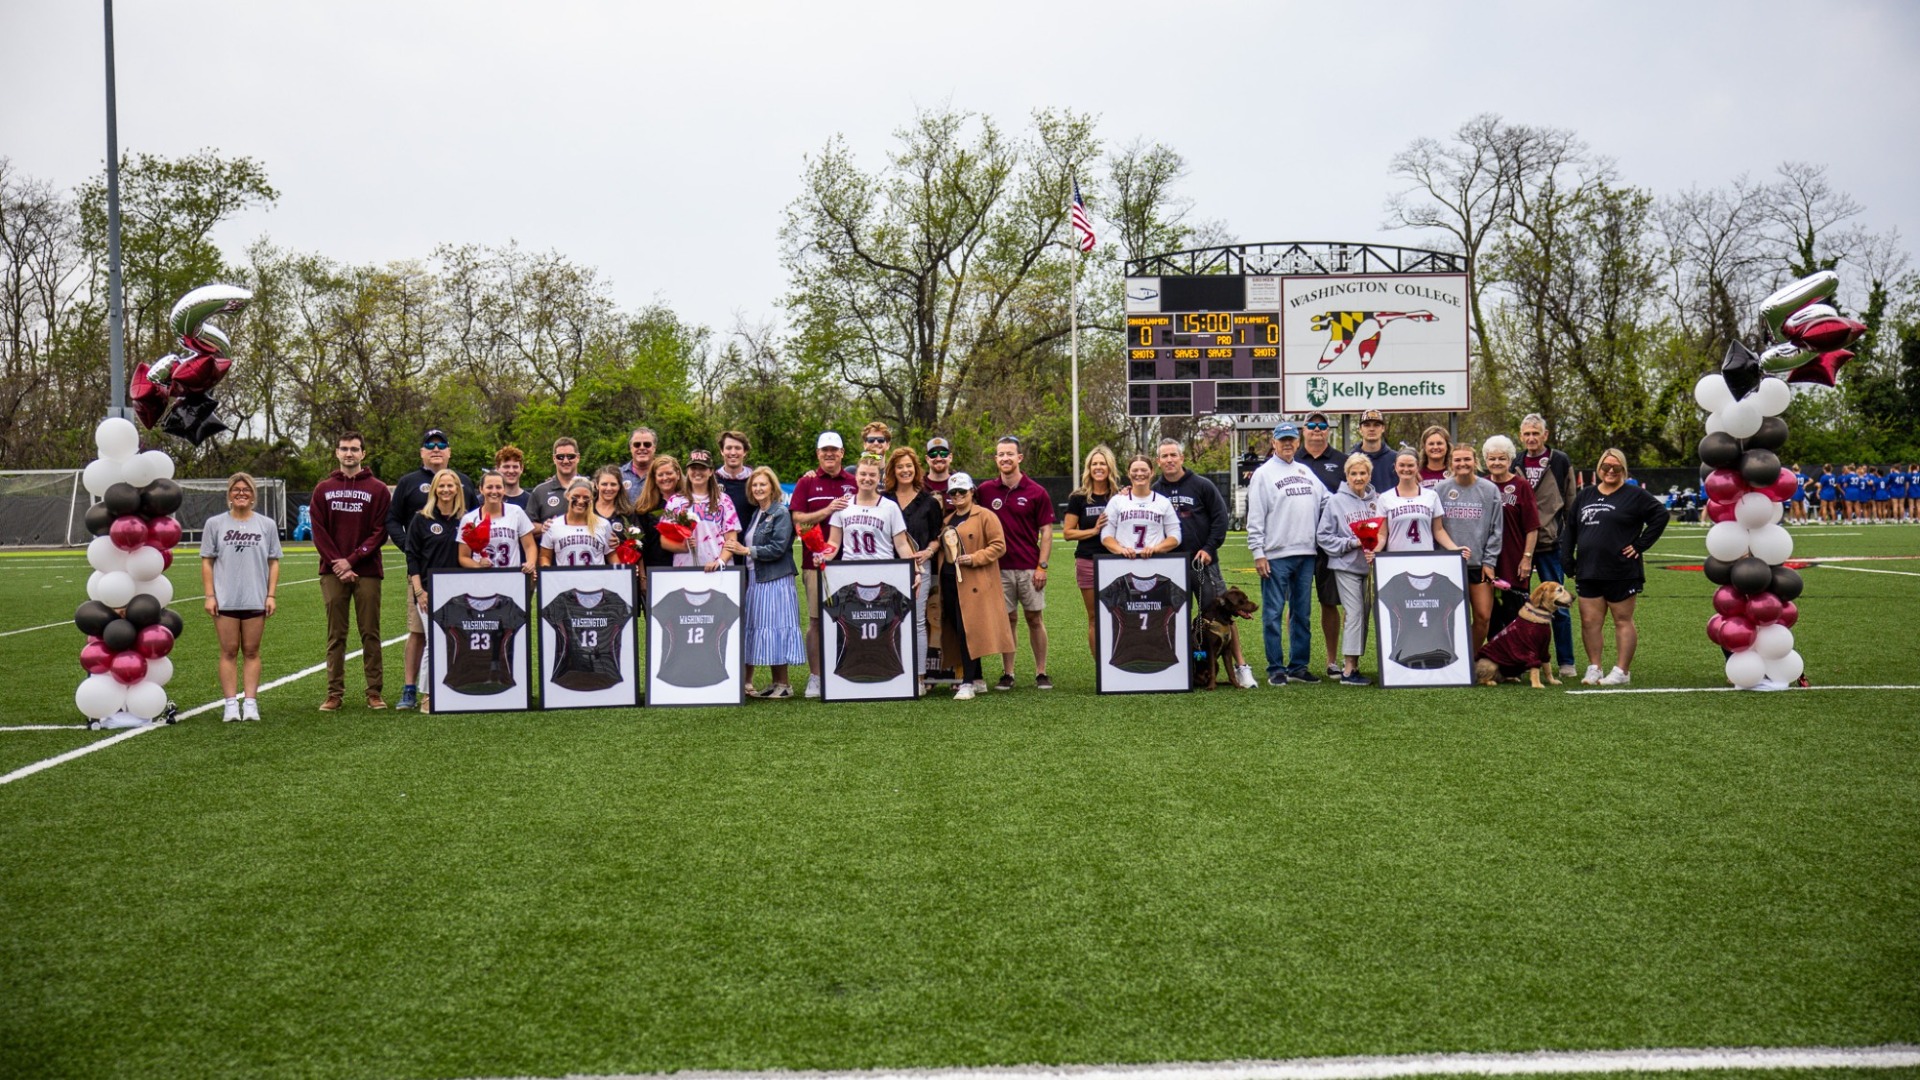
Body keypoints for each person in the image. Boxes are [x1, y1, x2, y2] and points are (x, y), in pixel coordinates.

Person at [1562, 447, 1667, 686]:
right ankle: (1594, 668)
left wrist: (1640, 545)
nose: (1610, 471)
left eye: (1616, 467)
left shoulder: (1634, 495)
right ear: (1599, 469)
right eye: (1605, 467)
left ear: (1623, 470)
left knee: (1622, 619)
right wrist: (1567, 560)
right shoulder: (1585, 495)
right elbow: (1571, 530)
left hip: (1621, 569)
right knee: (1589, 621)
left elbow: (1660, 516)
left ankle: (1622, 671)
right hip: (1588, 569)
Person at [388, 427, 476, 711]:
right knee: (421, 634)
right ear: (422, 451)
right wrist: (413, 552)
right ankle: (413, 690)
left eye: (441, 445)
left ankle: (457, 686)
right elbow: (393, 522)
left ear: (449, 451)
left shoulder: (466, 484)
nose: (436, 448)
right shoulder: (408, 483)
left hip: (459, 580)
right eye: (430, 444)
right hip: (424, 581)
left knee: (457, 634)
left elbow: (479, 526)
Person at [308, 431, 390, 712]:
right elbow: (319, 532)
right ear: (336, 452)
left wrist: (352, 560)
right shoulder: (322, 489)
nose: (349, 454)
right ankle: (334, 693)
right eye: (344, 449)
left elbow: (380, 532)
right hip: (333, 572)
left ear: (363, 454)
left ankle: (374, 692)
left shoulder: (378, 489)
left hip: (366, 571)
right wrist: (338, 563)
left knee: (370, 632)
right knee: (336, 635)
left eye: (354, 449)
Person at [1245, 422, 1328, 685]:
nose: (1288, 444)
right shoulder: (1263, 473)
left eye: (1292, 439)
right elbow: (1255, 515)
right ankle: (1275, 668)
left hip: (1306, 552)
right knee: (1273, 614)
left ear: (1297, 441)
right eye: (1283, 440)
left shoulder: (1305, 470)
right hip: (1276, 554)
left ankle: (1298, 666)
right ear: (1273, 443)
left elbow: (1328, 500)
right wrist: (1258, 551)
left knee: (1302, 614)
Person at [200, 473, 283, 722]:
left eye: (246, 489)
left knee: (251, 651)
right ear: (229, 494)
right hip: (225, 599)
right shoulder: (214, 524)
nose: (241, 493)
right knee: (228, 651)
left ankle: (250, 703)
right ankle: (229, 705)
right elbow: (207, 562)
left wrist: (271, 594)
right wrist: (210, 595)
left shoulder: (266, 525)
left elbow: (273, 561)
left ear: (253, 495)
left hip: (255, 598)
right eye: (236, 489)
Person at [977, 435, 1055, 691]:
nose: (1005, 458)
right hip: (998, 568)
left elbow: (1046, 531)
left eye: (1010, 454)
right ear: (996, 459)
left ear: (1019, 457)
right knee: (1008, 619)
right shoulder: (986, 491)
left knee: (1034, 619)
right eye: (1001, 454)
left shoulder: (1036, 492)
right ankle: (1007, 673)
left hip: (1029, 567)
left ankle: (1041, 672)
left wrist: (1042, 566)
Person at [789, 432, 860, 698]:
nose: (829, 454)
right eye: (824, 450)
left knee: (851, 619)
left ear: (842, 453)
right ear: (818, 454)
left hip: (852, 562)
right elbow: (798, 519)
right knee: (817, 621)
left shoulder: (854, 482)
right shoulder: (807, 483)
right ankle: (816, 676)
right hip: (815, 563)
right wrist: (827, 510)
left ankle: (848, 671)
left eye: (834, 450)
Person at [725, 466, 806, 699]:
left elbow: (779, 548)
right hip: (757, 579)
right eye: (755, 485)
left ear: (772, 487)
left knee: (777, 628)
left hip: (776, 579)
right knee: (766, 630)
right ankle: (775, 682)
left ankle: (784, 684)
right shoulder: (758, 513)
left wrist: (746, 550)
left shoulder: (780, 512)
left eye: (763, 484)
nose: (758, 488)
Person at [933, 474, 1013, 700]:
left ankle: (967, 681)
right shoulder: (948, 520)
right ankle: (977, 678)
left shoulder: (986, 516)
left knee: (969, 629)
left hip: (973, 582)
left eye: (962, 491)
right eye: (953, 493)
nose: (958, 496)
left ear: (972, 492)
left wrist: (975, 558)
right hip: (950, 580)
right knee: (959, 629)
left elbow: (999, 546)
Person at [1518, 414, 1576, 679]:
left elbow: (1570, 500)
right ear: (1521, 436)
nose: (1531, 438)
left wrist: (1570, 540)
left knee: (1560, 606)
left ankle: (1566, 661)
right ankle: (1518, 660)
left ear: (1545, 434)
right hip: (1519, 546)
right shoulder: (1515, 461)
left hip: (1551, 544)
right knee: (1517, 606)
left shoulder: (1560, 460)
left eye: (1535, 433)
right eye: (1527, 434)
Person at [1315, 453, 1381, 685]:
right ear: (1347, 475)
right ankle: (1348, 670)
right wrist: (1350, 543)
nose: (1358, 477)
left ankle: (1354, 664)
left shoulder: (1377, 500)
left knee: (1363, 615)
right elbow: (1323, 536)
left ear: (1369, 475)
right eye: (1354, 473)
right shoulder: (1335, 501)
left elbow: (1383, 531)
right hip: (1346, 566)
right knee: (1353, 613)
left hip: (1371, 568)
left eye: (1363, 473)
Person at [404, 469, 467, 714]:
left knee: (455, 643)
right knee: (434, 642)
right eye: (441, 486)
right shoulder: (421, 519)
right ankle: (428, 695)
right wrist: (419, 591)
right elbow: (413, 558)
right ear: (434, 490)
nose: (446, 490)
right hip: (429, 591)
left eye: (450, 485)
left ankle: (454, 690)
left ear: (457, 490)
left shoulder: (467, 519)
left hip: (459, 593)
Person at [1433, 444, 1504, 657]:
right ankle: (1449, 659)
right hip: (1448, 564)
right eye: (1457, 460)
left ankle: (1470, 660)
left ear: (1475, 461)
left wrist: (1489, 562)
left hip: (1478, 565)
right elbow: (1435, 528)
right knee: (1447, 617)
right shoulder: (1440, 489)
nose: (1462, 464)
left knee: (1483, 616)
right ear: (1451, 463)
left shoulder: (1489, 489)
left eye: (1467, 459)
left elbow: (1496, 529)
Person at [1296, 411, 1350, 678]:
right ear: (1303, 430)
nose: (1317, 429)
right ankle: (1297, 661)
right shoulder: (1289, 460)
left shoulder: (1343, 461)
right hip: (1297, 542)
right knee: (1296, 603)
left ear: (1328, 430)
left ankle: (1331, 661)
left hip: (1331, 544)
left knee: (1330, 603)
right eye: (1312, 425)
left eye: (1322, 425)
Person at [884, 446, 944, 686]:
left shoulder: (928, 501)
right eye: (900, 467)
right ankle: (891, 675)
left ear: (916, 468)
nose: (905, 470)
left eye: (909, 466)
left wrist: (929, 551)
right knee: (891, 621)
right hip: (889, 568)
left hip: (920, 567)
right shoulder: (884, 499)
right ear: (893, 470)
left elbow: (938, 536)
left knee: (918, 621)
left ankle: (919, 677)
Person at [1152, 438, 1230, 615]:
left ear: (1182, 458)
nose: (1169, 459)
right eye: (1164, 456)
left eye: (1173, 455)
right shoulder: (1154, 491)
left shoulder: (1202, 485)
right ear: (1158, 461)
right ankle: (1187, 644)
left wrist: (1209, 548)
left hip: (1203, 562)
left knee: (1218, 613)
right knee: (1174, 616)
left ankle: (1231, 645)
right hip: (1170, 565)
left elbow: (1220, 519)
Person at [1062, 445, 1119, 662]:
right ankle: (1101, 667)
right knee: (1095, 617)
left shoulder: (1119, 495)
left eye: (1102, 463)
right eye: (1094, 464)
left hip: (1115, 561)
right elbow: (1068, 533)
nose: (1098, 467)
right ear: (1088, 468)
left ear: (1109, 467)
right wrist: (1094, 531)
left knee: (1118, 614)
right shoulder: (1079, 498)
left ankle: (1119, 661)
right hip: (1088, 561)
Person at [1482, 435, 1541, 639]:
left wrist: (1527, 557)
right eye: (1492, 458)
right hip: (1487, 561)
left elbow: (1532, 527)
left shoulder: (1521, 486)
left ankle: (1515, 662)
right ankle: (1495, 663)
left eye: (1501, 458)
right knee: (1489, 614)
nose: (1496, 463)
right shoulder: (1481, 485)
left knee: (1514, 615)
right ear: (1485, 460)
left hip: (1513, 558)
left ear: (1510, 460)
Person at [1375, 451, 1464, 556]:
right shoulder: (1385, 498)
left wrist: (1455, 549)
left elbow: (1438, 530)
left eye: (1410, 465)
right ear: (1395, 467)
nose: (1406, 469)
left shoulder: (1431, 496)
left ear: (1417, 467)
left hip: (1425, 558)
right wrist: (1374, 551)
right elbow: (1382, 534)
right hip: (1396, 559)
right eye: (1402, 465)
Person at [670, 449, 741, 571]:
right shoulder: (675, 501)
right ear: (687, 471)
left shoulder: (724, 500)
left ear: (711, 471)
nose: (697, 472)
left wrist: (720, 561)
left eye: (702, 468)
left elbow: (731, 540)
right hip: (684, 569)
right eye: (693, 468)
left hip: (717, 569)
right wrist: (682, 544)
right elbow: (666, 540)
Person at [1101, 454, 1182, 559]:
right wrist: (1121, 550)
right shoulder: (1117, 501)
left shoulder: (1163, 502)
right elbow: (1106, 535)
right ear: (1128, 473)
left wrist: (1156, 548)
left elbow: (1175, 535)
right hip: (1124, 563)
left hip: (1155, 562)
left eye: (1144, 470)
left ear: (1152, 472)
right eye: (1135, 470)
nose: (1139, 474)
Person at [458, 470, 538, 577]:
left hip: (511, 578)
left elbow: (530, 546)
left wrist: (530, 563)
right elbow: (463, 557)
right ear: (481, 489)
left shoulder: (516, 512)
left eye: (498, 487)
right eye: (489, 487)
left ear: (504, 489)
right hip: (483, 579)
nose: (494, 491)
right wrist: (478, 566)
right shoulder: (470, 519)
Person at [539, 477, 613, 566]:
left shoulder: (603, 524)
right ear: (567, 496)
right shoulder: (553, 525)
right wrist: (546, 570)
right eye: (576, 496)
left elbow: (612, 556)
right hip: (565, 579)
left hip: (595, 578)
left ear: (591, 499)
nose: (581, 501)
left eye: (586, 497)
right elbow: (545, 556)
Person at [527, 437, 582, 528]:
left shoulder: (590, 489)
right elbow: (526, 527)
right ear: (554, 459)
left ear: (578, 458)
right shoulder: (540, 491)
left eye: (570, 456)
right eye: (560, 457)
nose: (565, 461)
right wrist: (544, 527)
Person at [1348, 409, 1398, 487]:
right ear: (1360, 429)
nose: (1371, 429)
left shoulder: (1396, 459)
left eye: (1376, 425)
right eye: (1367, 425)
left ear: (1383, 428)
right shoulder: (1349, 459)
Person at [716, 430, 754, 523]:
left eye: (737, 448)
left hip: (747, 537)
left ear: (744, 451)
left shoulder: (755, 481)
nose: (733, 452)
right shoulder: (711, 480)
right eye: (729, 448)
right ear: (722, 451)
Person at [619, 426, 657, 504]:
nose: (642, 447)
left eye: (647, 444)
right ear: (631, 448)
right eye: (637, 444)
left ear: (654, 448)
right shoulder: (618, 475)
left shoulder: (665, 475)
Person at [494, 446, 530, 510]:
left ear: (521, 468)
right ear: (497, 468)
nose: (511, 471)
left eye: (515, 467)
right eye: (506, 467)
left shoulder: (531, 501)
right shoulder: (487, 500)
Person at [1415, 425, 1451, 489]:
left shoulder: (1455, 473)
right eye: (1431, 444)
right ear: (1424, 447)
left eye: (1439, 443)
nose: (1435, 447)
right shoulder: (1416, 473)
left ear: (1447, 446)